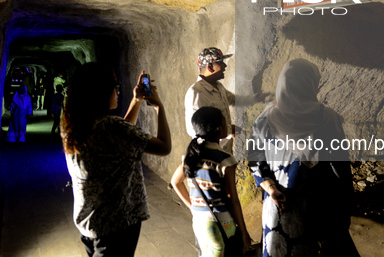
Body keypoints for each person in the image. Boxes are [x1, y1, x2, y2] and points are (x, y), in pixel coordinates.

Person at [248, 59, 359, 256]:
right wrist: (344, 210)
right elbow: (340, 168)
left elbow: (255, 162)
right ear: (311, 85)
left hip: (277, 208)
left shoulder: (265, 119)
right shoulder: (326, 119)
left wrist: (271, 189)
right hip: (316, 209)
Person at [61, 62, 171, 257]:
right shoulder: (111, 126)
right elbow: (164, 147)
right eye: (115, 86)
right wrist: (159, 106)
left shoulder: (74, 124)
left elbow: (122, 135)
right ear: (101, 91)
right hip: (115, 224)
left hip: (90, 221)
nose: (117, 91)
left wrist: (136, 101)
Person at [171, 106, 252, 256]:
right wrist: (244, 232)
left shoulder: (190, 156)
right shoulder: (225, 160)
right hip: (221, 221)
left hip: (199, 221)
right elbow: (232, 200)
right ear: (219, 128)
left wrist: (192, 206)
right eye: (225, 122)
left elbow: (175, 182)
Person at [185, 48, 235, 152]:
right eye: (221, 63)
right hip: (211, 154)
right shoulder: (196, 93)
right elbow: (194, 130)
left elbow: (233, 100)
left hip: (225, 150)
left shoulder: (218, 86)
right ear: (210, 67)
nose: (225, 66)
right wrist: (229, 131)